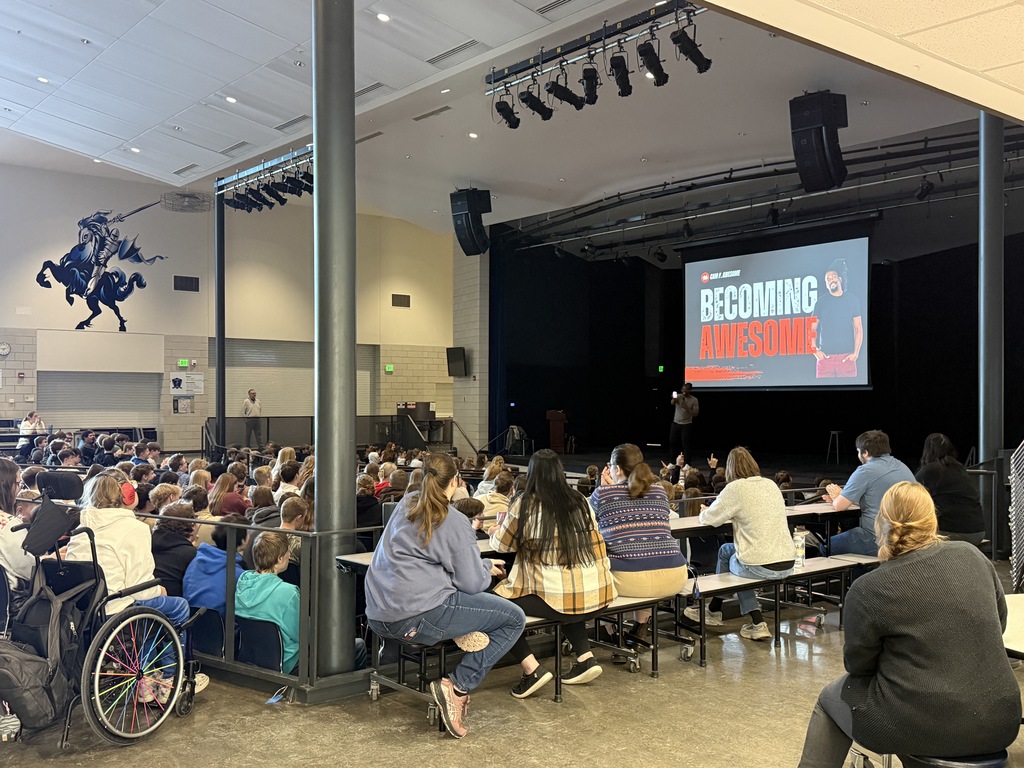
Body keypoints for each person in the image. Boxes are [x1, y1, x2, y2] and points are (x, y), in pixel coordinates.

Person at [796, 482, 1021, 767]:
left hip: (926, 726)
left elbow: (858, 667)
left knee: (830, 698)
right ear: (932, 520)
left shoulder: (867, 589)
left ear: (881, 523)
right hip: (1001, 721)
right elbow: (997, 625)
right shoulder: (974, 556)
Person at [365, 452, 524, 739]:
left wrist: (482, 564)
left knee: (466, 608)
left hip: (377, 613)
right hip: (416, 615)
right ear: (455, 481)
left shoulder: (405, 504)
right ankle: (458, 686)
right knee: (513, 618)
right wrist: (486, 568)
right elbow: (472, 583)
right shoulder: (454, 521)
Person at [66, 473, 208, 698]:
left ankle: (148, 680)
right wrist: (158, 590)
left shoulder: (82, 526)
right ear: (124, 496)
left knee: (152, 611)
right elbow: (141, 584)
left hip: (86, 607)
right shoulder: (135, 528)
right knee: (177, 605)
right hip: (118, 606)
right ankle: (171, 678)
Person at [490, 449, 616, 698]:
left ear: (533, 473)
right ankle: (585, 657)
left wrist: (495, 530)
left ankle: (532, 669)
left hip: (561, 600)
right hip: (599, 594)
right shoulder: (580, 500)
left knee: (496, 607)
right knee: (565, 592)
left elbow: (502, 546)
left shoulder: (525, 504)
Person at [689, 447, 795, 641]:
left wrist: (705, 509)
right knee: (726, 551)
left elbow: (708, 519)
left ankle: (756, 622)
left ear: (730, 468)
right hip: (788, 560)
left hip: (761, 564)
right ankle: (714, 609)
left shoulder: (735, 489)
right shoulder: (770, 484)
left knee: (736, 565)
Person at [589, 444, 688, 644]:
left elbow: (585, 521)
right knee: (648, 554)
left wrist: (604, 489)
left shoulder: (603, 494)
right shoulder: (660, 491)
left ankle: (613, 632)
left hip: (631, 580)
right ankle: (640, 626)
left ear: (616, 469)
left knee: (597, 566)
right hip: (675, 575)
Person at [824, 430, 915, 556]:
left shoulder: (865, 471)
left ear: (865, 453)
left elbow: (839, 506)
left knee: (825, 546)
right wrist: (844, 497)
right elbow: (877, 496)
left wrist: (839, 497)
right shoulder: (902, 466)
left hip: (877, 538)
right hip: (906, 538)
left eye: (858, 451)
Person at [914, 433, 986, 545]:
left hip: (951, 532)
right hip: (978, 532)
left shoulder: (929, 470)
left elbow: (910, 494)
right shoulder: (959, 468)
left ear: (927, 450)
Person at [183, 513, 247, 617]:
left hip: (192, 623)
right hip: (225, 628)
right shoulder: (239, 575)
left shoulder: (196, 561)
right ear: (243, 540)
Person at [809, 258, 863, 379]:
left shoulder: (852, 300)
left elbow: (858, 328)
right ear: (826, 285)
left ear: (840, 279)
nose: (830, 280)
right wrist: (814, 350)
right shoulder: (821, 302)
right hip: (825, 360)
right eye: (827, 279)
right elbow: (811, 329)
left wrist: (856, 353)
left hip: (846, 359)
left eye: (833, 277)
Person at [0, 458, 35, 603]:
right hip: (10, 606)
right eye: (18, 483)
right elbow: (30, 570)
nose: (20, 488)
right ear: (6, 486)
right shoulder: (10, 526)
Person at [151, 500, 199, 597]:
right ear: (192, 526)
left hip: (144, 601)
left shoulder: (149, 543)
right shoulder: (191, 554)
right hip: (174, 604)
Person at [669, 383, 698, 463]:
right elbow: (672, 403)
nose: (684, 391)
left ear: (690, 390)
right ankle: (672, 462)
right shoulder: (678, 396)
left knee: (686, 445)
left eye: (686, 389)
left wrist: (686, 407)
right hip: (676, 423)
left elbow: (695, 413)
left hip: (686, 424)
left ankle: (687, 463)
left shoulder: (694, 400)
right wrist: (674, 398)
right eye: (683, 389)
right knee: (673, 443)